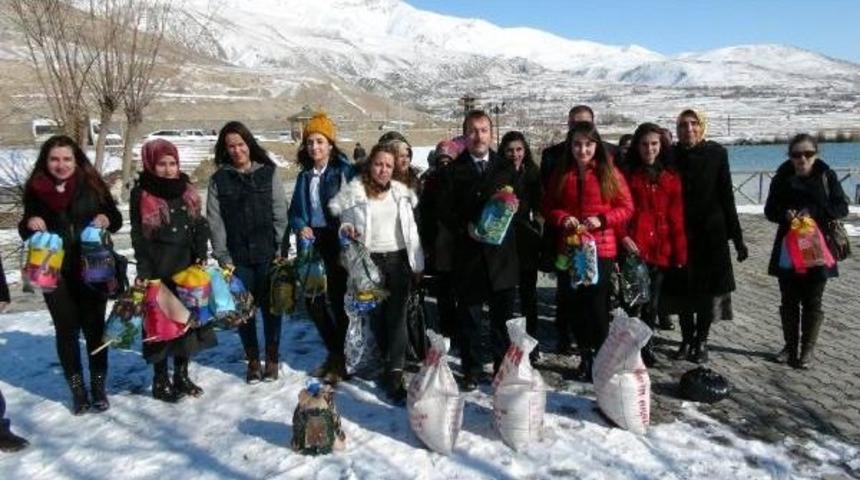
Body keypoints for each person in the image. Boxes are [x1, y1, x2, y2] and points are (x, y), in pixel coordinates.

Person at [19, 135, 122, 414]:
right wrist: (30, 223)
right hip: (54, 270)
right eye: (55, 159)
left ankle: (99, 387)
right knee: (66, 330)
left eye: (67, 159)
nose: (61, 165)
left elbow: (116, 218)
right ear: (45, 160)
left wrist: (105, 219)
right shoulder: (36, 188)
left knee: (95, 330)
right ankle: (77, 389)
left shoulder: (92, 184)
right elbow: (24, 226)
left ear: (77, 160)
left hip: (93, 267)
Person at [330, 143, 424, 402]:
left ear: (394, 169)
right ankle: (385, 362)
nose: (383, 170)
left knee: (397, 316)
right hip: (369, 263)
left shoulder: (401, 192)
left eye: (388, 166)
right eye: (378, 164)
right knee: (377, 317)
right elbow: (343, 222)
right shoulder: (355, 191)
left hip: (398, 260)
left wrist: (418, 264)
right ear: (370, 164)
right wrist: (347, 230)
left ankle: (395, 373)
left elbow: (411, 229)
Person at [542, 122, 633, 382]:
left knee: (597, 305)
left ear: (597, 146)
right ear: (570, 146)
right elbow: (548, 206)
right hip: (571, 249)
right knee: (575, 304)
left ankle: (602, 356)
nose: (583, 150)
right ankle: (585, 356)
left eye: (588, 144)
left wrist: (602, 220)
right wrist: (563, 218)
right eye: (577, 144)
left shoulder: (610, 173)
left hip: (601, 249)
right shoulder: (562, 174)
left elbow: (627, 207)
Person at [438, 110, 519, 391]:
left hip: (502, 257)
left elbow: (523, 207)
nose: (478, 136)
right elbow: (445, 212)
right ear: (464, 135)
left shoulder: (506, 168)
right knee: (470, 318)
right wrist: (466, 226)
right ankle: (471, 369)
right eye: (472, 131)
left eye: (483, 130)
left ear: (491, 133)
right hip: (469, 256)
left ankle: (501, 367)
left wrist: (515, 209)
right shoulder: (451, 171)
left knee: (502, 320)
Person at [131, 139, 215, 401]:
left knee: (186, 324)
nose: (168, 169)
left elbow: (200, 224)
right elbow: (139, 236)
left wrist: (201, 253)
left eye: (172, 163)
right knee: (160, 325)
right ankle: (160, 380)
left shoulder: (186, 190)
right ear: (150, 165)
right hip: (158, 267)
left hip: (185, 267)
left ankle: (181, 375)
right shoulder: (142, 194)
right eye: (161, 164)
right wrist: (145, 271)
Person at [208, 121, 290, 384]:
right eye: (230, 146)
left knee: (271, 309)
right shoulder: (219, 180)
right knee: (244, 311)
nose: (236, 150)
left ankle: (272, 358)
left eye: (240, 144)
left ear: (249, 144)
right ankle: (253, 360)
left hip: (268, 254)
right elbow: (215, 220)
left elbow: (280, 214)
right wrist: (223, 256)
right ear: (224, 149)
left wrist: (280, 249)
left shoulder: (269, 173)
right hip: (237, 257)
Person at [669, 109, 748, 364]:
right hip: (679, 233)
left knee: (706, 293)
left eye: (694, 124)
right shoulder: (670, 155)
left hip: (711, 234)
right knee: (682, 291)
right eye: (683, 125)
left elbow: (727, 196)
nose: (688, 129)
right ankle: (686, 339)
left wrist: (737, 238)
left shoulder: (716, 153)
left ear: (702, 127)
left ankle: (701, 341)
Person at [764, 134, 848, 369]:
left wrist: (813, 212)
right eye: (796, 154)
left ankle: (807, 350)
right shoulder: (782, 177)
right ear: (789, 157)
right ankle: (790, 347)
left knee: (813, 300)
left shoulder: (826, 175)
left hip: (818, 249)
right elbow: (770, 210)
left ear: (816, 154)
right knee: (789, 300)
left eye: (808, 154)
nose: (802, 159)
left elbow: (841, 206)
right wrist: (785, 215)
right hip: (788, 249)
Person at [288, 112, 355, 384]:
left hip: (336, 240)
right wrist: (300, 225)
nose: (314, 147)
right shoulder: (305, 177)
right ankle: (334, 351)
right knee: (313, 301)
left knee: (339, 301)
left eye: (320, 141)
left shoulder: (343, 172)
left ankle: (340, 359)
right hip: (313, 242)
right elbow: (295, 211)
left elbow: (355, 206)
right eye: (310, 142)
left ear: (330, 144)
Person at [619, 123, 687, 367]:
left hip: (661, 247)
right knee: (632, 302)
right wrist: (623, 237)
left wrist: (680, 253)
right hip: (634, 247)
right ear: (637, 146)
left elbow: (676, 216)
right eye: (645, 144)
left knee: (652, 304)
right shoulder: (626, 175)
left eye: (654, 144)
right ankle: (629, 347)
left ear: (662, 146)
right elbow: (619, 210)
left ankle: (647, 346)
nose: (650, 148)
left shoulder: (671, 176)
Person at [499, 131, 543, 361]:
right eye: (510, 150)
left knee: (528, 294)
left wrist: (538, 224)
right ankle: (507, 342)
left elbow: (540, 205)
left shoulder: (533, 173)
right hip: (504, 238)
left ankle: (531, 341)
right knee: (506, 294)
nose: (515, 154)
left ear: (525, 151)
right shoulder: (497, 173)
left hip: (526, 237)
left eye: (519, 150)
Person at [420, 138, 466, 340]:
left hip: (462, 239)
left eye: (449, 160)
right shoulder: (430, 181)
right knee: (445, 288)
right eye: (442, 161)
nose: (445, 165)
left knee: (463, 286)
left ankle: (463, 325)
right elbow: (426, 213)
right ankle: (449, 326)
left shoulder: (462, 179)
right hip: (441, 241)